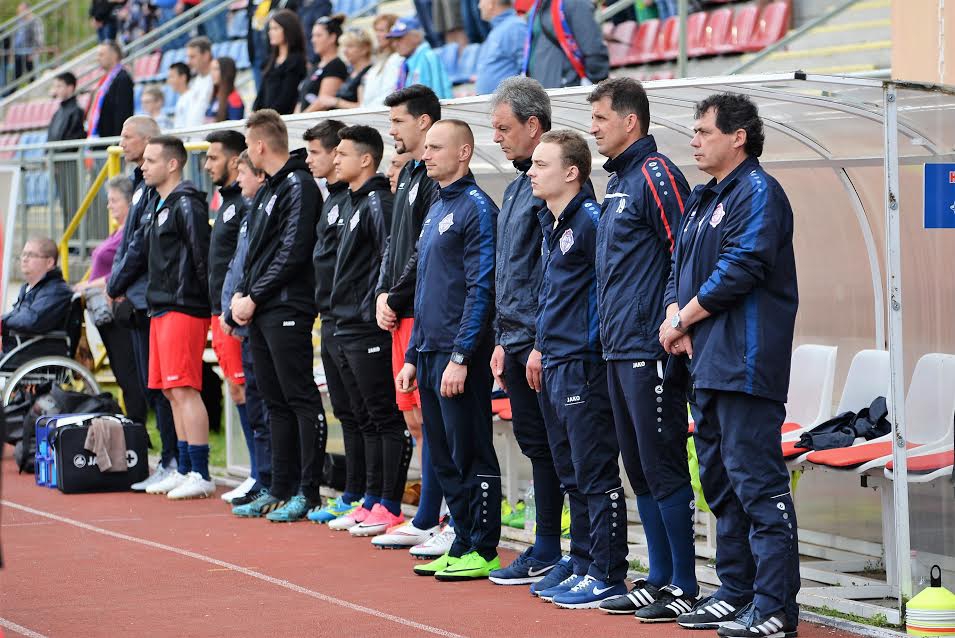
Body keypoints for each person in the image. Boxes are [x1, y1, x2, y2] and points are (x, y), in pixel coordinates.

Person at [661, 93, 800, 638]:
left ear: (738, 137)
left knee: (757, 485)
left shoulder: (759, 191)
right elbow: (678, 266)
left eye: (704, 131)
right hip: (707, 364)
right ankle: (736, 591)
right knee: (719, 483)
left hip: (746, 362)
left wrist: (683, 319)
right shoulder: (703, 197)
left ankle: (775, 608)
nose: (694, 141)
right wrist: (675, 312)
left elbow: (742, 266)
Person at [585, 77, 699, 620]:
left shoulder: (657, 174)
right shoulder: (618, 182)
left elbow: (684, 249)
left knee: (662, 463)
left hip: (650, 349)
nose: (592, 128)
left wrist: (673, 317)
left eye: (600, 118)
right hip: (616, 347)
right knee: (638, 467)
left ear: (630, 121)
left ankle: (684, 583)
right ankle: (657, 577)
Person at [525, 129, 629, 608]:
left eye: (541, 164)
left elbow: (605, 291)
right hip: (556, 361)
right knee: (571, 472)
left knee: (594, 472)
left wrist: (584, 348)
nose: (531, 172)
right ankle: (583, 561)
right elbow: (555, 296)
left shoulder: (589, 220)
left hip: (583, 364)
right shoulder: (553, 222)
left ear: (571, 172)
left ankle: (607, 572)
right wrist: (540, 347)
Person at [395, 119, 501, 581]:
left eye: (436, 147)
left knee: (470, 450)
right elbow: (424, 288)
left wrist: (461, 356)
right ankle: (460, 539)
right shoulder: (437, 205)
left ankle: (483, 547)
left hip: (461, 356)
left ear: (464, 152)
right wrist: (412, 355)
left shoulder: (477, 208)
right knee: (442, 455)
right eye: (427, 148)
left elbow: (482, 288)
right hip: (429, 351)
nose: (426, 155)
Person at [484, 77, 566, 587]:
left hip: (542, 344)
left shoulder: (553, 188)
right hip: (513, 342)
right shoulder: (517, 187)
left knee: (559, 449)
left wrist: (539, 340)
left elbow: (554, 271)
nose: (496, 138)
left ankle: (561, 550)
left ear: (533, 125)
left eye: (503, 128)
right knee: (537, 446)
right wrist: (500, 338)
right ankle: (545, 546)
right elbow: (507, 271)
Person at [230, 109, 328, 522]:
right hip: (262, 307)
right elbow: (256, 252)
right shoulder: (270, 188)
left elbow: (293, 250)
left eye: (247, 144)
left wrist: (253, 295)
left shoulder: (299, 185)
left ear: (259, 146)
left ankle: (308, 491)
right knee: (274, 401)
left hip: (286, 306)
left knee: (298, 397)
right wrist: (242, 292)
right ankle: (280, 486)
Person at [324, 125, 413, 537]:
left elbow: (388, 258)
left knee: (384, 417)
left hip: (367, 326)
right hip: (346, 324)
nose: (334, 159)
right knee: (363, 416)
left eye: (341, 154)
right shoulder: (352, 201)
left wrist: (373, 306)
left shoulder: (378, 201)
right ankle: (371, 498)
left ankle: (389, 504)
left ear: (364, 160)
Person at [374, 86, 449, 555]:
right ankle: (427, 513)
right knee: (416, 420)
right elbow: (394, 244)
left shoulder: (436, 180)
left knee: (430, 419)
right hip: (399, 310)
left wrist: (396, 294)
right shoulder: (409, 175)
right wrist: (382, 293)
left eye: (398, 121)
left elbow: (425, 251)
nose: (392, 130)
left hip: (420, 313)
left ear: (423, 122)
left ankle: (437, 516)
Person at [134, 135, 213, 500]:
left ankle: (200, 471)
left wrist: (208, 304)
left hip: (184, 306)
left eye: (150, 160)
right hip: (161, 306)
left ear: (172, 164)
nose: (142, 167)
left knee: (184, 388)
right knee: (169, 391)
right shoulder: (160, 204)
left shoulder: (187, 204)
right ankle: (184, 468)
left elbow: (202, 257)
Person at [302, 120, 370, 525]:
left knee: (365, 412)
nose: (310, 160)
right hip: (330, 317)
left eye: (317, 152)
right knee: (345, 410)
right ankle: (355, 492)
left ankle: (370, 496)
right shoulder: (332, 200)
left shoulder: (361, 201)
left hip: (354, 321)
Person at [107, 116, 179, 491]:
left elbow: (140, 245)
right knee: (152, 386)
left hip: (152, 298)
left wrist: (115, 282)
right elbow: (127, 242)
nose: (121, 143)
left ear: (149, 140)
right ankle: (169, 458)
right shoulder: (138, 185)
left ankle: (176, 459)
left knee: (165, 387)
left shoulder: (157, 189)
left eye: (127, 136)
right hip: (136, 298)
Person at [220, 150, 273, 506]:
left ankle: (269, 478)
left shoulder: (261, 210)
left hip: (255, 316)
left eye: (243, 173)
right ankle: (260, 475)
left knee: (264, 402)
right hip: (237, 313)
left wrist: (242, 301)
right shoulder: (249, 210)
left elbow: (255, 266)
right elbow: (236, 266)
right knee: (253, 400)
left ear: (260, 174)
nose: (237, 179)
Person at [73, 177, 148, 425]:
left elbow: (126, 268)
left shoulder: (130, 232)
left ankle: (136, 425)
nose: (109, 206)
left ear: (129, 202)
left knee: (128, 371)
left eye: (114, 200)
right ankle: (134, 422)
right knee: (122, 369)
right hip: (105, 310)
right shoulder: (118, 231)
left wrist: (88, 285)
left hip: (117, 309)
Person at [204, 130, 251, 501]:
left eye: (213, 157)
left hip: (234, 313)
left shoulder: (245, 203)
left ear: (235, 161)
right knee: (237, 390)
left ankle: (261, 472)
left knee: (244, 389)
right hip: (219, 310)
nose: (207, 165)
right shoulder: (227, 202)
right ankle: (257, 470)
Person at [2, 237, 72, 353]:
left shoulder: (56, 290)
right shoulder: (29, 287)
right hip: (18, 349)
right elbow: (19, 316)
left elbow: (32, 320)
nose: (25, 259)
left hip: (32, 353)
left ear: (49, 262)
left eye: (31, 255)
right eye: (23, 254)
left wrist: (3, 322)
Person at [522, 0, 609, 89]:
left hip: (568, 87)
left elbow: (593, 48)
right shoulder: (538, 5)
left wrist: (594, 84)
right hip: (545, 87)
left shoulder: (575, 3)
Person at [48, 72, 86, 229]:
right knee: (64, 202)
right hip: (58, 163)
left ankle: (75, 235)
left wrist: (58, 156)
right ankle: (69, 234)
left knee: (72, 201)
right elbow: (51, 137)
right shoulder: (58, 112)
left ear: (70, 88)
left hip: (69, 163)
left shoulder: (76, 111)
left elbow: (74, 138)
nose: (56, 89)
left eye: (59, 86)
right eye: (55, 86)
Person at [251, 10, 308, 115]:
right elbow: (262, 92)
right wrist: (255, 111)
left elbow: (286, 97)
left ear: (288, 30)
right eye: (270, 29)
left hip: (280, 118)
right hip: (265, 117)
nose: (270, 32)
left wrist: (266, 116)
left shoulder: (296, 61)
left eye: (275, 28)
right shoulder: (271, 60)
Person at [388, 17, 452, 100]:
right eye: (393, 40)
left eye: (399, 38)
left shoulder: (428, 57)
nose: (394, 44)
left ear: (416, 37)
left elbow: (438, 97)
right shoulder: (406, 63)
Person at [297, 15, 347, 114]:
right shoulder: (315, 66)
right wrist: (293, 118)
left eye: (318, 35)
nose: (313, 40)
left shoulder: (336, 65)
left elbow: (323, 102)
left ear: (332, 38)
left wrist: (300, 118)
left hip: (318, 121)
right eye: (313, 36)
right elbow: (301, 100)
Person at [314, 28, 372, 110]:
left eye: (350, 46)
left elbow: (364, 107)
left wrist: (335, 102)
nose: (345, 51)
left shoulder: (369, 73)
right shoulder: (351, 72)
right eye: (344, 46)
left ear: (365, 48)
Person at [474, 0, 524, 96]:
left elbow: (526, 70)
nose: (479, 6)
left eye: (481, 1)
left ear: (491, 3)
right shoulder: (501, 28)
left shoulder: (515, 27)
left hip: (509, 102)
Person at [86, 40, 134, 139]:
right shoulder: (105, 79)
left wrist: (118, 140)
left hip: (111, 139)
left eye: (101, 54)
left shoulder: (122, 78)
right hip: (101, 136)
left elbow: (122, 113)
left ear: (114, 55)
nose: (98, 58)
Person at [360, 14, 403, 109]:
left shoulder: (396, 58)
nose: (377, 35)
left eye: (382, 31)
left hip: (380, 111)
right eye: (376, 30)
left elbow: (389, 92)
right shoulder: (380, 59)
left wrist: (366, 110)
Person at [177, 36, 214, 129]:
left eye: (192, 57)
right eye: (188, 57)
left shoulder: (215, 80)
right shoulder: (195, 82)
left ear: (206, 55)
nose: (188, 62)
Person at [206, 57, 244, 123]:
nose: (212, 73)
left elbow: (234, 126)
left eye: (216, 69)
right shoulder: (215, 96)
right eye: (211, 69)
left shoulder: (234, 98)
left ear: (227, 72)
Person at [12, 3, 43, 81]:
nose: (18, 13)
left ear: (27, 10)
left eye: (20, 11)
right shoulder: (19, 22)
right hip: (18, 53)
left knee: (32, 77)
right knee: (16, 76)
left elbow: (39, 38)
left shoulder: (35, 21)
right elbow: (16, 37)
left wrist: (35, 52)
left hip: (30, 52)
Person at [167, 62, 193, 129]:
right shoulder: (182, 98)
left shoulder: (192, 98)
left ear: (183, 77)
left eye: (172, 77)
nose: (169, 81)